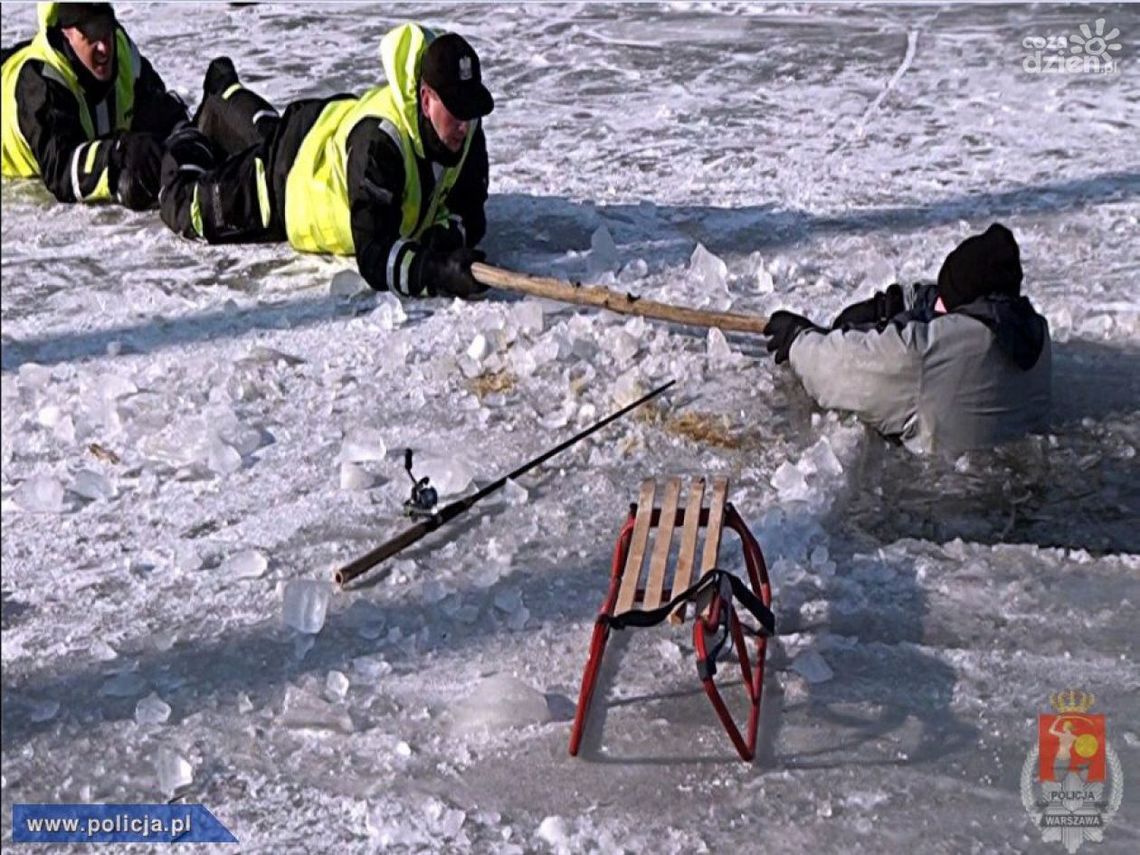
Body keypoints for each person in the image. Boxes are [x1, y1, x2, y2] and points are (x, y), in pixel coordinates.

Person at [159, 22, 492, 299]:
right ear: (424, 99)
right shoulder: (380, 144)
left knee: (268, 134)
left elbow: (470, 211)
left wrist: (448, 234)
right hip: (288, 181)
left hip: (322, 127)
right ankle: (180, 130)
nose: (464, 124)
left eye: (470, 108)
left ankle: (223, 90)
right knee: (185, 207)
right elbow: (375, 256)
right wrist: (434, 271)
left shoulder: (466, 130)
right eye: (455, 110)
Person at [765, 223, 1052, 454]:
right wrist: (896, 304)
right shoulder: (1035, 334)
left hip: (942, 508)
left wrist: (798, 339)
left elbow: (837, 369)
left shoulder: (926, 354)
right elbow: (949, 311)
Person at [1, 2, 189, 209]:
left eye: (106, 27)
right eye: (92, 34)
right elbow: (61, 169)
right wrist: (119, 155)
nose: (104, 47)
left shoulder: (122, 50)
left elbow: (164, 114)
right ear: (66, 34)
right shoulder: (40, 82)